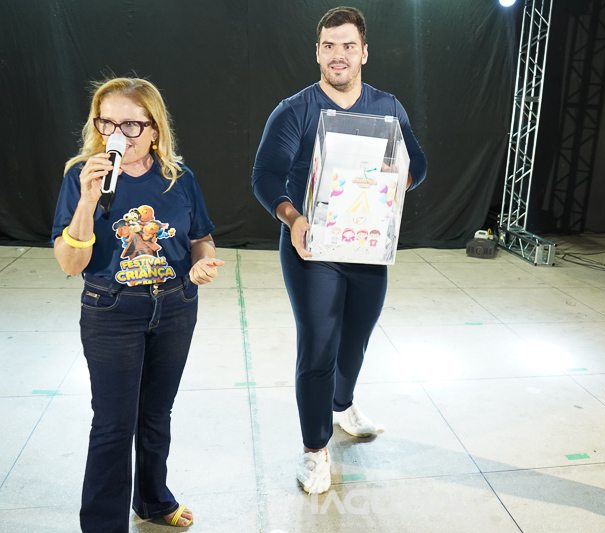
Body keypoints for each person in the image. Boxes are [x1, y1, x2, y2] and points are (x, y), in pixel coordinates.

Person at [251, 6, 427, 494]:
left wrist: (393, 182)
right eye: (329, 46)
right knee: (318, 347)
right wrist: (293, 218)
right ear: (317, 53)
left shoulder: (388, 107)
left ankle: (342, 404)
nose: (338, 55)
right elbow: (265, 176)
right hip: (314, 249)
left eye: (348, 46)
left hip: (368, 247)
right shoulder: (294, 110)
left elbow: (418, 163)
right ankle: (314, 451)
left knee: (355, 341)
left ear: (364, 52)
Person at [52, 77, 224, 532]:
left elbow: (201, 237)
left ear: (154, 129)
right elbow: (71, 263)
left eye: (130, 125)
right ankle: (103, 525)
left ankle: (151, 499)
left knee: (156, 414)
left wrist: (201, 263)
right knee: (113, 424)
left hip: (175, 305)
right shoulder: (81, 176)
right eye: (107, 123)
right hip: (112, 310)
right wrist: (88, 200)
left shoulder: (178, 177)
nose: (117, 135)